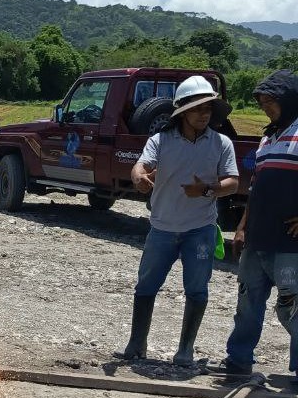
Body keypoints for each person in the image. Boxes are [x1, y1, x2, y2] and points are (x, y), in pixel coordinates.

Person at [117, 75, 239, 366]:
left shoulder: (221, 143)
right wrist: (139, 178)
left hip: (201, 230)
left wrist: (208, 190)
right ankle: (136, 344)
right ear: (182, 111)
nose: (204, 114)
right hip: (161, 228)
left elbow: (233, 182)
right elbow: (140, 167)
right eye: (197, 109)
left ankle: (185, 350)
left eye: (208, 108)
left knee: (197, 289)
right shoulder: (160, 140)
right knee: (146, 286)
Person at [218, 70, 298, 378]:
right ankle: (238, 360)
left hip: (289, 242)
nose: (265, 107)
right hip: (258, 237)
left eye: (271, 102)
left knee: (291, 308)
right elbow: (256, 188)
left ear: (288, 99)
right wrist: (241, 226)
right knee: (247, 303)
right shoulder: (267, 137)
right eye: (261, 102)